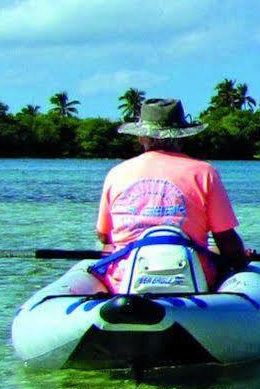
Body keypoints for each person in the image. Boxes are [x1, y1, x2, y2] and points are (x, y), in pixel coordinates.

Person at [95, 98, 250, 293]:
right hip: (192, 281)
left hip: (125, 283)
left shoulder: (116, 173)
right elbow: (226, 239)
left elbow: (104, 235)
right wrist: (241, 260)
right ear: (181, 137)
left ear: (141, 137)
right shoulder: (204, 173)